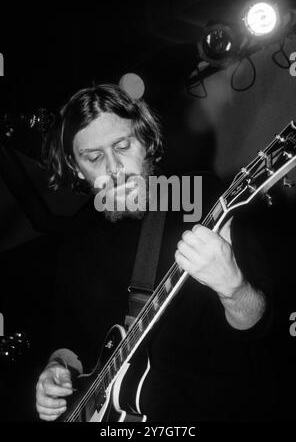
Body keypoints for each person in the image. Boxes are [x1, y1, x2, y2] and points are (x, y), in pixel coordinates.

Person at [35, 84, 273, 422]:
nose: (115, 168)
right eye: (93, 157)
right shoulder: (77, 237)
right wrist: (56, 368)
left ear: (146, 142)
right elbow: (69, 340)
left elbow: (260, 322)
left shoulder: (203, 198)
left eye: (122, 145)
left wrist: (234, 289)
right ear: (76, 168)